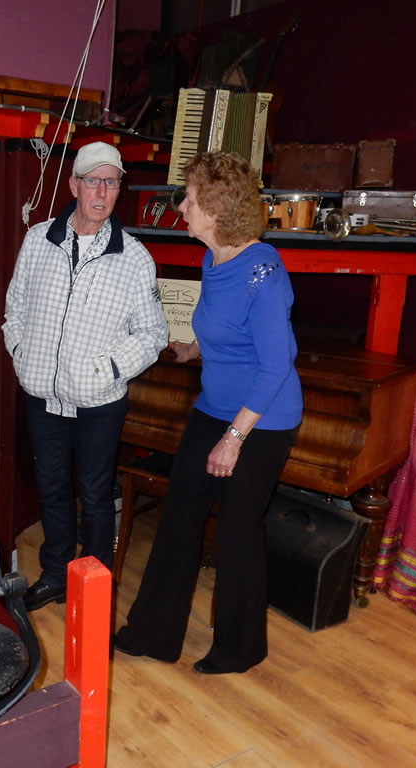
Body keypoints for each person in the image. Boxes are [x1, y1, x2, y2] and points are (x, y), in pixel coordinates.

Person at [112, 151, 303, 674]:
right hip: (214, 406)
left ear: (216, 210)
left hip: (262, 418)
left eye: (191, 200)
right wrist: (195, 350)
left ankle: (241, 648)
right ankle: (153, 633)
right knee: (179, 516)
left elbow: (276, 364)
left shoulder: (263, 272)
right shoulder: (212, 259)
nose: (182, 208)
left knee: (237, 529)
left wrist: (234, 440)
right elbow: (230, 329)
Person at [3, 141, 169, 611]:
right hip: (42, 395)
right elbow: (15, 308)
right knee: (52, 489)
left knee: (96, 497)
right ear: (74, 185)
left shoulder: (134, 258)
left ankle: (93, 589)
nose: (102, 192)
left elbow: (153, 334)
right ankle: (56, 574)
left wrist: (108, 369)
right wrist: (22, 352)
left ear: (118, 189)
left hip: (99, 402)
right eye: (93, 181)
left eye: (111, 182)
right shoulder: (38, 240)